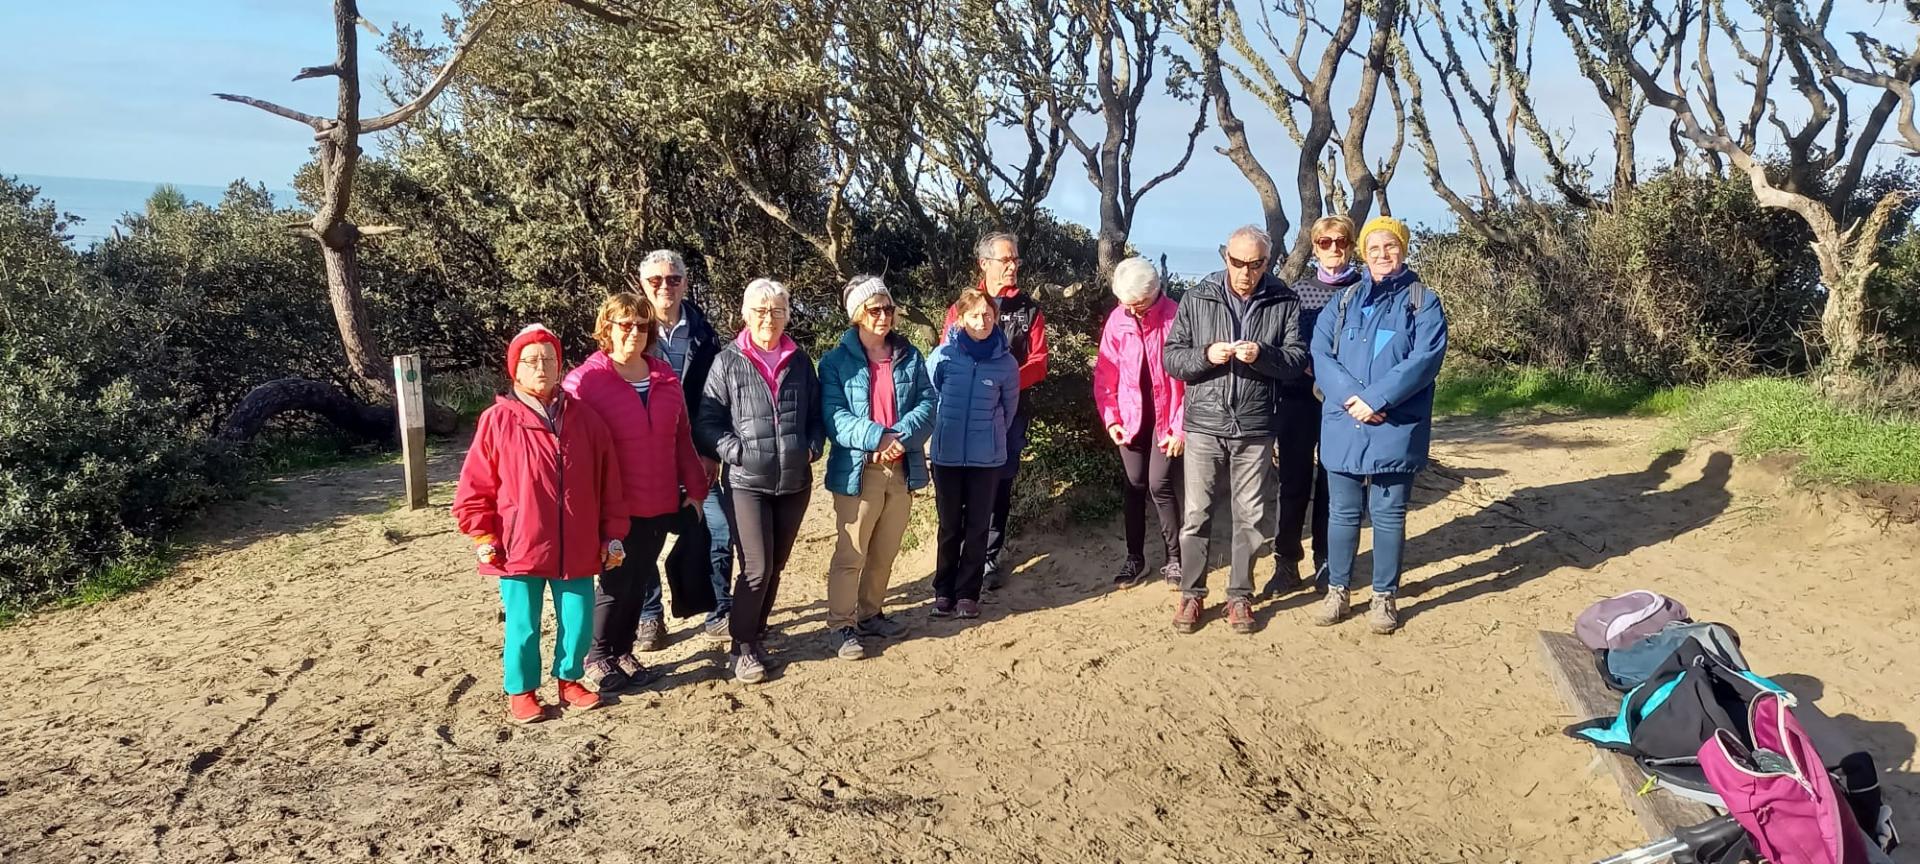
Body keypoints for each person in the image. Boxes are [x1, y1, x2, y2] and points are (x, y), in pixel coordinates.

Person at [453, 325, 628, 723]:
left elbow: (609, 484)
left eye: (549, 358)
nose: (542, 367)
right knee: (523, 626)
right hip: (517, 546)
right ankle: (522, 690)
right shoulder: (496, 421)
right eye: (531, 360)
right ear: (515, 369)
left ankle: (570, 681)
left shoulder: (587, 419)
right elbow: (475, 485)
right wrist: (482, 533)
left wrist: (613, 534)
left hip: (579, 543)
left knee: (579, 620)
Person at [1162, 225, 1308, 635]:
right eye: (1238, 262)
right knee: (1196, 514)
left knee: (1251, 517)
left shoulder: (1284, 299)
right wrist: (1206, 356)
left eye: (1256, 264)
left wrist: (1263, 355)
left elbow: (1296, 361)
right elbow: (1172, 359)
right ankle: (1191, 594)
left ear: (1268, 261)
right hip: (1205, 424)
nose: (1246, 271)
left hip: (1257, 424)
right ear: (1224, 255)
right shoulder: (1197, 297)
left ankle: (1240, 596)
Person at [1310, 216, 1449, 634]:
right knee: (1342, 513)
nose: (1382, 255)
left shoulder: (1423, 301)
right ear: (1362, 253)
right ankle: (1337, 590)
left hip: (1395, 423)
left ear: (1403, 250)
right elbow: (1320, 353)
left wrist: (1376, 399)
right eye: (1373, 248)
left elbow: (1425, 360)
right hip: (1344, 421)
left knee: (1388, 514)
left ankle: (1383, 596)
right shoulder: (1345, 300)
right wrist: (1353, 398)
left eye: (1390, 247)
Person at [563, 292, 707, 691]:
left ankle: (622, 651)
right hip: (612, 507)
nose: (634, 333)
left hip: (659, 501)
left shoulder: (664, 378)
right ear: (605, 330)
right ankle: (597, 656)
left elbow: (682, 439)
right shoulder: (584, 382)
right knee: (614, 583)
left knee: (641, 576)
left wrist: (696, 489)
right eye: (624, 325)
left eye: (642, 326)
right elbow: (570, 450)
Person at [694, 278, 824, 684]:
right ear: (746, 315)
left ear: (787, 315)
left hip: (794, 481)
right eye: (761, 310)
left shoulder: (800, 361)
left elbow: (817, 416)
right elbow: (707, 423)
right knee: (757, 566)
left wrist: (812, 447)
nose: (769, 318)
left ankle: (757, 629)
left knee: (777, 566)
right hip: (746, 482)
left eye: (777, 310)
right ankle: (742, 646)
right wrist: (737, 453)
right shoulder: (727, 362)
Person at [818, 276, 937, 659]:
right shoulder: (835, 362)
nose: (884, 316)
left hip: (902, 468)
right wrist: (877, 438)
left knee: (885, 551)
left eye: (889, 309)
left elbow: (928, 402)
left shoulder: (911, 355)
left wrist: (899, 436)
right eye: (875, 309)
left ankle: (870, 613)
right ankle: (841, 624)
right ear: (857, 314)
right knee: (851, 552)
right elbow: (834, 417)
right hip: (859, 469)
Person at [635, 249, 732, 645]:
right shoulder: (633, 330)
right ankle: (649, 617)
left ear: (685, 283)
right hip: (646, 460)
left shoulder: (706, 334)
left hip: (697, 455)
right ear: (642, 285)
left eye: (673, 279)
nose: (664, 287)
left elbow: (720, 399)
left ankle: (720, 610)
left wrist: (711, 451)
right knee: (644, 540)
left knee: (721, 529)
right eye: (655, 281)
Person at [942, 232, 1048, 590]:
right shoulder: (961, 307)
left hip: (1010, 414)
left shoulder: (1030, 310)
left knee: (999, 483)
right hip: (965, 415)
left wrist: (1004, 380)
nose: (1012, 267)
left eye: (1015, 260)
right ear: (984, 264)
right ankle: (954, 556)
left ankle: (988, 558)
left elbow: (1040, 361)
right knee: (961, 481)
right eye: (1005, 260)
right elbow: (946, 356)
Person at [1269, 215, 1361, 594]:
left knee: (1334, 483)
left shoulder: (1364, 288)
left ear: (1351, 245)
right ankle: (1286, 563)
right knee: (1293, 482)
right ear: (1314, 246)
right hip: (1298, 397)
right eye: (1325, 242)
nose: (1334, 249)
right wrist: (1312, 366)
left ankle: (1328, 561)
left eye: (1341, 242)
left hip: (1344, 401)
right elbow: (1288, 342)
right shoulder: (1296, 292)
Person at [927, 288, 1021, 620]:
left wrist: (990, 435)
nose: (981, 321)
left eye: (987, 315)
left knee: (978, 526)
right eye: (974, 315)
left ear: (995, 318)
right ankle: (943, 590)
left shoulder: (1007, 363)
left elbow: (1009, 411)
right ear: (961, 318)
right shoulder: (943, 356)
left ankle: (968, 593)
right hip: (947, 455)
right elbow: (931, 397)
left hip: (987, 458)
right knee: (950, 526)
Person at [1092, 257, 1186, 588]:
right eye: (1126, 303)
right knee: (1134, 485)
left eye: (1138, 304)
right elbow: (1106, 373)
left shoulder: (1177, 317)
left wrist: (1180, 426)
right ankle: (1135, 558)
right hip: (1130, 419)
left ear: (1154, 292)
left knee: (1160, 484)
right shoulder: (1118, 320)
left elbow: (1192, 380)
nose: (1132, 310)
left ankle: (1175, 559)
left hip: (1167, 419)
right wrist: (1111, 418)